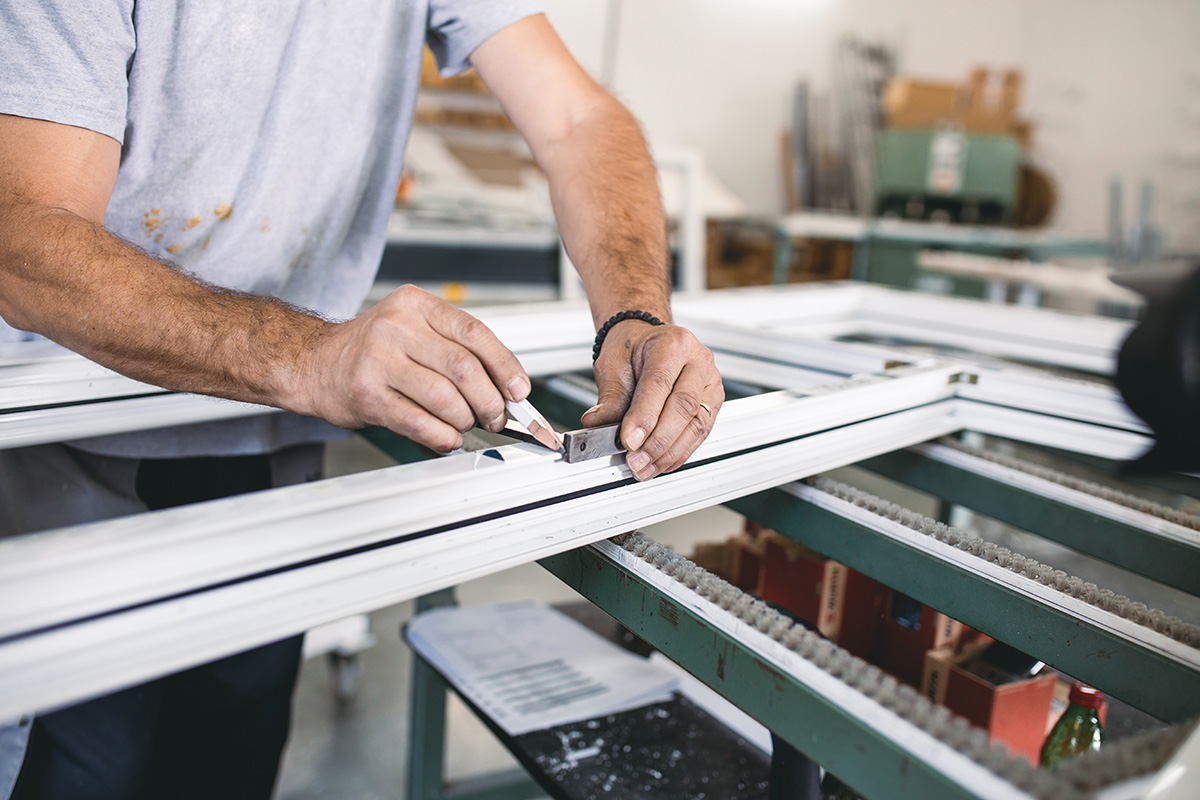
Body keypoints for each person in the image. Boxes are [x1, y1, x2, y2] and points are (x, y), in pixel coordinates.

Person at [0, 2, 723, 798]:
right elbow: (26, 236)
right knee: (81, 766)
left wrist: (635, 313)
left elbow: (579, 119)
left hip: (272, 450)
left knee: (226, 758)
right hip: (67, 443)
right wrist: (308, 353)